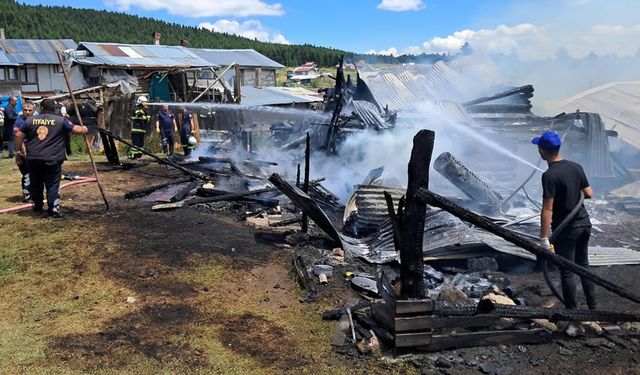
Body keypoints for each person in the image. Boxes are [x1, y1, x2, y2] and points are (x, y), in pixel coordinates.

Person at [533, 131, 597, 310]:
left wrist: (544, 238)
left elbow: (548, 209)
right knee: (584, 266)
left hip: (567, 229)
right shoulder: (576, 167)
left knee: (567, 271)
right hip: (584, 224)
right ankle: (594, 308)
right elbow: (589, 194)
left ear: (542, 151)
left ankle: (572, 313)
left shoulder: (549, 175)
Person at [14, 99, 87, 218]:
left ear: (41, 108)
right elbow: (77, 130)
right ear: (54, 109)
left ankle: (37, 207)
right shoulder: (61, 120)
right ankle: (53, 210)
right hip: (53, 158)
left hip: (34, 158)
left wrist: (19, 150)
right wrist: (85, 129)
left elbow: (18, 135)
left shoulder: (29, 121)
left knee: (36, 183)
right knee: (53, 184)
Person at [14, 101, 36, 202]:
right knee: (27, 175)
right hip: (24, 152)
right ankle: (27, 196)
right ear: (22, 110)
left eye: (30, 110)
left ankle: (35, 194)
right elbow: (18, 138)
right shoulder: (19, 122)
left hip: (36, 151)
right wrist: (19, 152)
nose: (27, 112)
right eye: (25, 110)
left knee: (36, 175)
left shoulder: (37, 121)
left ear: (34, 110)